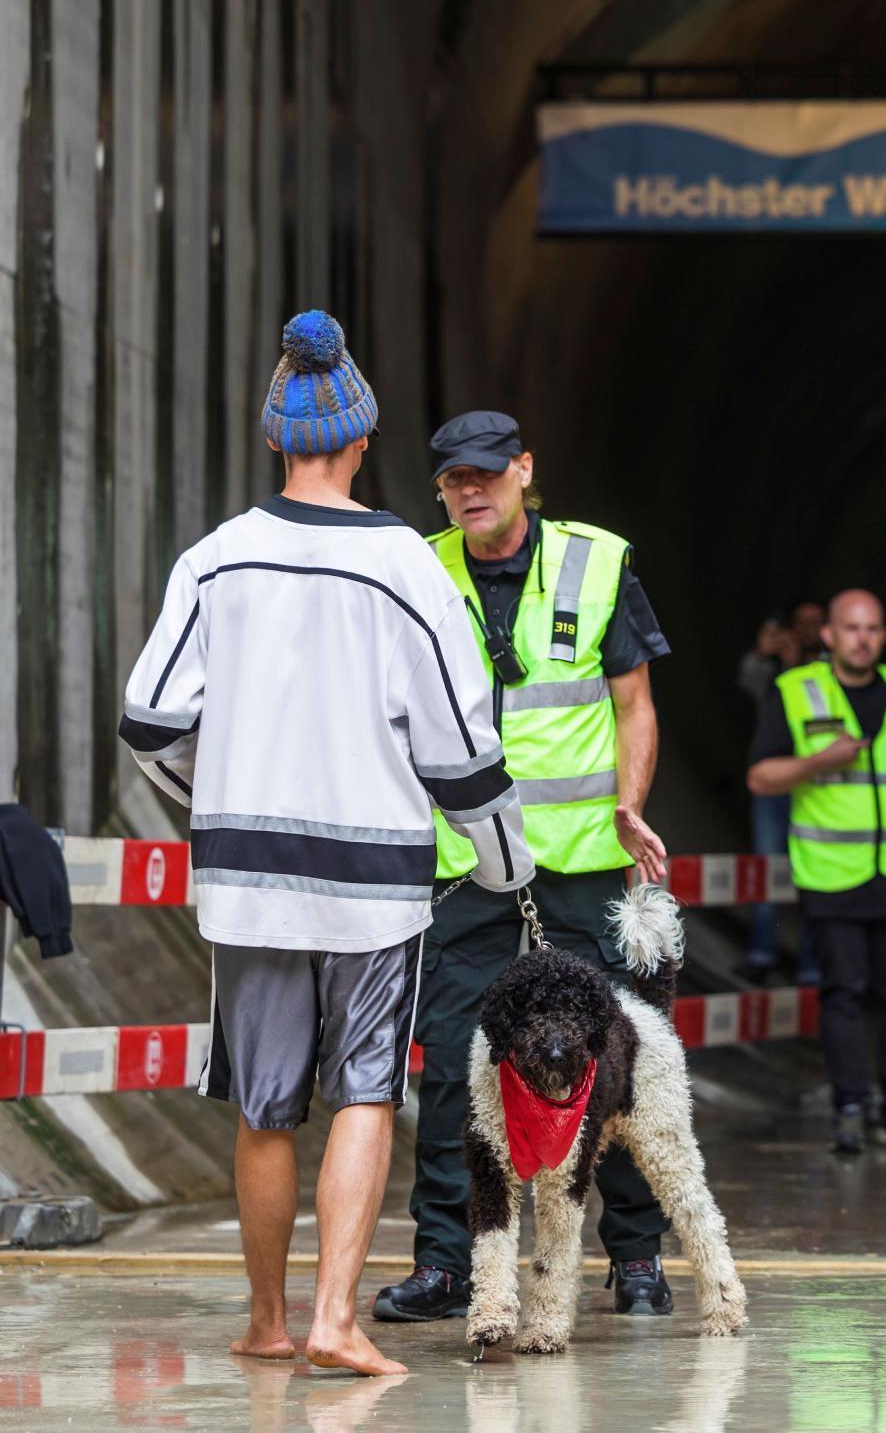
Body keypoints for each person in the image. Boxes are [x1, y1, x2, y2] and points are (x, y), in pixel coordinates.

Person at [120, 312, 534, 1376]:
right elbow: (460, 744)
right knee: (363, 1091)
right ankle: (336, 1321)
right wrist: (504, 865)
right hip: (373, 884)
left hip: (249, 881)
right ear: (361, 441)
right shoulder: (405, 566)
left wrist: (218, 795)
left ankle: (264, 1322)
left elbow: (149, 720)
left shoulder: (215, 560)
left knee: (262, 1106)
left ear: (274, 439)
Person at [374, 409, 677, 1325]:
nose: (470, 490)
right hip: (466, 870)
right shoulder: (419, 570)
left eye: (486, 474)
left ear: (523, 471)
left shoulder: (595, 563)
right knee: (453, 1068)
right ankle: (447, 1262)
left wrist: (631, 805)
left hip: (579, 868)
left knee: (614, 1065)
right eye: (453, 479)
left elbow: (634, 704)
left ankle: (633, 1256)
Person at [747, 591, 886, 1154]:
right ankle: (850, 1107)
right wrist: (820, 762)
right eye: (851, 628)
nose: (862, 639)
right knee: (842, 996)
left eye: (872, 629)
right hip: (832, 874)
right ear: (829, 634)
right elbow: (762, 777)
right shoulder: (795, 692)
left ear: (884, 634)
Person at [739, 606, 820, 984]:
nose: (808, 630)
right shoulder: (772, 669)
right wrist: (764, 653)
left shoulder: (832, 670)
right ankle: (761, 952)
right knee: (766, 870)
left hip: (817, 785)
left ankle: (811, 964)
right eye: (801, 622)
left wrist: (796, 664)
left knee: (816, 873)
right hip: (771, 781)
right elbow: (747, 681)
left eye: (816, 622)